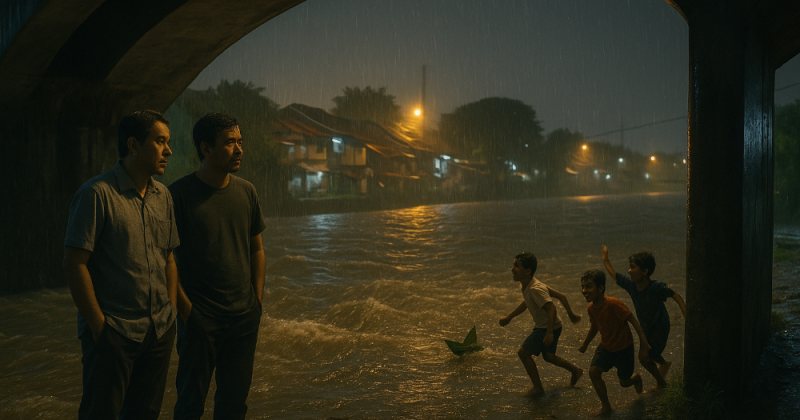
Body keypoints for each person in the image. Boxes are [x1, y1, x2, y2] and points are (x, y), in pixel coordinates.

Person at [63, 109, 179, 420]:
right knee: (100, 414)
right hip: (114, 332)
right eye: (160, 141)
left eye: (168, 142)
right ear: (133, 145)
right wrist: (100, 327)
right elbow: (75, 264)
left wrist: (170, 312)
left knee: (145, 414)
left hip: (159, 331)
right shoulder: (96, 195)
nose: (168, 150)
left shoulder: (163, 196)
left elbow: (168, 257)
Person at [170, 112, 267, 420]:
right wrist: (187, 312)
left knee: (234, 405)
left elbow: (257, 249)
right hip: (200, 319)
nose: (239, 149)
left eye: (240, 142)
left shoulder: (246, 191)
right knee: (190, 405)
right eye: (229, 143)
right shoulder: (178, 195)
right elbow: (164, 259)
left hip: (243, 318)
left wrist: (257, 301)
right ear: (206, 148)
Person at [499, 252, 584, 395]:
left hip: (546, 327)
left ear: (527, 271)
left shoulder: (535, 289)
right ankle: (575, 370)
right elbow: (560, 296)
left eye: (516, 266)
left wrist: (549, 332)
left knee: (523, 353)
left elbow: (551, 307)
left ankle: (538, 388)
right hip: (554, 325)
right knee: (549, 356)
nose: (512, 269)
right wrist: (510, 316)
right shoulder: (528, 284)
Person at [602, 246, 687, 390]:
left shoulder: (657, 287)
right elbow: (614, 275)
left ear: (645, 271)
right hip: (645, 327)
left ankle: (661, 383)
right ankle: (665, 363)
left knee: (644, 358)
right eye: (629, 267)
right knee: (650, 353)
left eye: (632, 267)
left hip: (660, 326)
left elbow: (676, 296)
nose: (629, 271)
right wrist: (605, 259)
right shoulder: (632, 285)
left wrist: (686, 316)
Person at [579, 269, 650, 415]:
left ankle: (635, 378)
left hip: (624, 348)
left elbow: (633, 321)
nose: (584, 290)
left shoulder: (613, 303)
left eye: (589, 286)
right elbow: (595, 326)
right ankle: (606, 407)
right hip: (606, 346)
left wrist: (644, 343)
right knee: (593, 371)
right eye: (583, 286)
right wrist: (585, 343)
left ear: (600, 288)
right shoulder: (591, 309)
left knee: (624, 382)